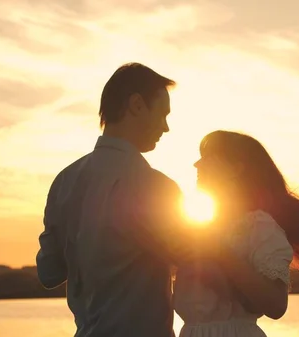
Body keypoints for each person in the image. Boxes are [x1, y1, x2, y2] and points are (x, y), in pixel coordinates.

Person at [36, 62, 200, 337]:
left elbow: (49, 273)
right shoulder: (156, 187)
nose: (167, 127)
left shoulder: (64, 182)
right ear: (136, 105)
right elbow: (195, 260)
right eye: (162, 114)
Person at [173, 130, 299, 337]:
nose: (197, 164)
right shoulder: (202, 227)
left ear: (235, 168)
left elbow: (276, 305)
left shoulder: (257, 226)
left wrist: (222, 254)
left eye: (208, 157)